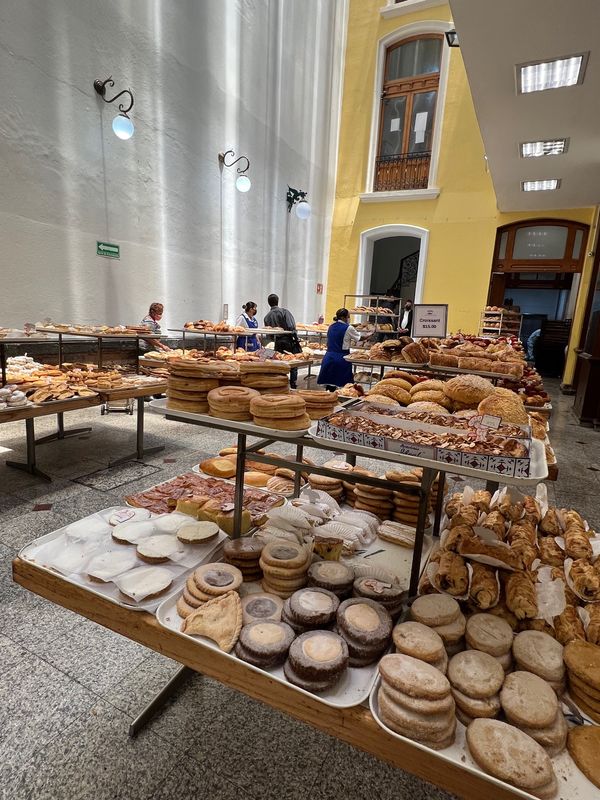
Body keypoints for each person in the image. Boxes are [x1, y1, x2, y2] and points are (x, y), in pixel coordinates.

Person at [318, 308, 368, 389]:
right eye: (348, 316)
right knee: (344, 387)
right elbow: (359, 338)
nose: (349, 318)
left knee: (329, 386)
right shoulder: (348, 328)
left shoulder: (331, 326)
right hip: (341, 359)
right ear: (344, 317)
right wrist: (370, 334)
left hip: (328, 357)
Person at [264, 293, 301, 388]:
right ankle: (293, 384)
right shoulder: (284, 312)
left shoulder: (267, 316)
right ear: (278, 301)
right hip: (288, 340)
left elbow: (268, 333)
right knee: (292, 362)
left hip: (277, 342)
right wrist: (296, 337)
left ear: (269, 303)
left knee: (278, 362)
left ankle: (279, 383)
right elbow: (291, 327)